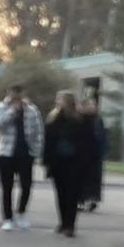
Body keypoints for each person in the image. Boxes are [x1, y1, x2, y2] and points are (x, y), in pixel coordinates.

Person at [42, 90, 99, 238]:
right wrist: (46, 161)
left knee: (72, 195)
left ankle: (70, 225)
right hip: (58, 163)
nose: (57, 102)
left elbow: (90, 142)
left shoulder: (81, 119)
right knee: (60, 194)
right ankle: (63, 222)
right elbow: (48, 141)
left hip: (75, 164)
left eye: (59, 100)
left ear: (68, 102)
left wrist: (87, 162)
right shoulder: (53, 119)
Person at [0, 85, 44, 231]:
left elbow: (39, 131)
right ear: (8, 93)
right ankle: (7, 218)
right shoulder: (0, 107)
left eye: (18, 92)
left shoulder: (32, 110)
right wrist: (12, 112)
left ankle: (21, 212)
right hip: (5, 152)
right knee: (7, 187)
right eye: (12, 92)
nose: (15, 95)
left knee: (26, 185)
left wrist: (36, 150)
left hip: (25, 153)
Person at [80, 96, 108, 211]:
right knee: (81, 178)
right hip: (82, 154)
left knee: (95, 179)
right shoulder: (79, 119)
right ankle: (80, 200)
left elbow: (102, 136)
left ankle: (93, 199)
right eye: (90, 104)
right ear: (84, 106)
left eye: (94, 104)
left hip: (95, 155)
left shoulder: (98, 119)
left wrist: (103, 150)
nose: (93, 106)